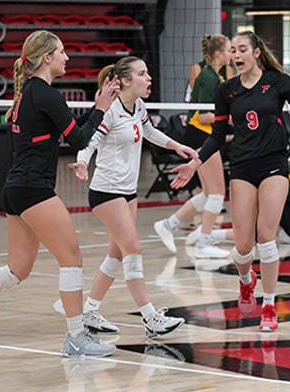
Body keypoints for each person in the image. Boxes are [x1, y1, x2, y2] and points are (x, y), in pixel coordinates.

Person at [0, 30, 120, 357]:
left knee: (18, 268)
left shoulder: (29, 94)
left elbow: (68, 132)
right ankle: (76, 337)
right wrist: (101, 108)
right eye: (62, 52)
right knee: (72, 258)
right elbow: (78, 141)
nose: (67, 58)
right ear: (46, 57)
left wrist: (96, 108)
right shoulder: (45, 94)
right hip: (33, 189)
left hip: (17, 189)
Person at [169, 31, 290, 332]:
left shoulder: (279, 82)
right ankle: (246, 281)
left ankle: (270, 305)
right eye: (233, 50)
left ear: (256, 52)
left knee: (266, 235)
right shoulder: (227, 91)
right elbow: (218, 137)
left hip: (275, 165)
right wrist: (194, 162)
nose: (236, 55)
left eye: (242, 49)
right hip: (242, 168)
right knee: (243, 245)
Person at [68, 56, 195, 337]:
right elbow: (90, 141)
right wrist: (82, 162)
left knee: (116, 255)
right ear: (125, 81)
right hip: (106, 191)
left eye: (148, 73)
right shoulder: (110, 110)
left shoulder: (137, 105)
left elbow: (149, 131)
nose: (149, 78)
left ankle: (89, 310)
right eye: (142, 73)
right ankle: (150, 317)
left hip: (128, 192)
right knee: (133, 250)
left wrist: (178, 146)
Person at [154, 34, 233, 259]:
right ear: (219, 53)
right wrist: (229, 118)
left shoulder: (214, 74)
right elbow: (202, 115)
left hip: (201, 134)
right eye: (229, 50)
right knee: (218, 191)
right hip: (201, 134)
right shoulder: (208, 77)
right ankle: (204, 243)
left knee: (210, 192)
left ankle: (168, 225)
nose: (232, 54)